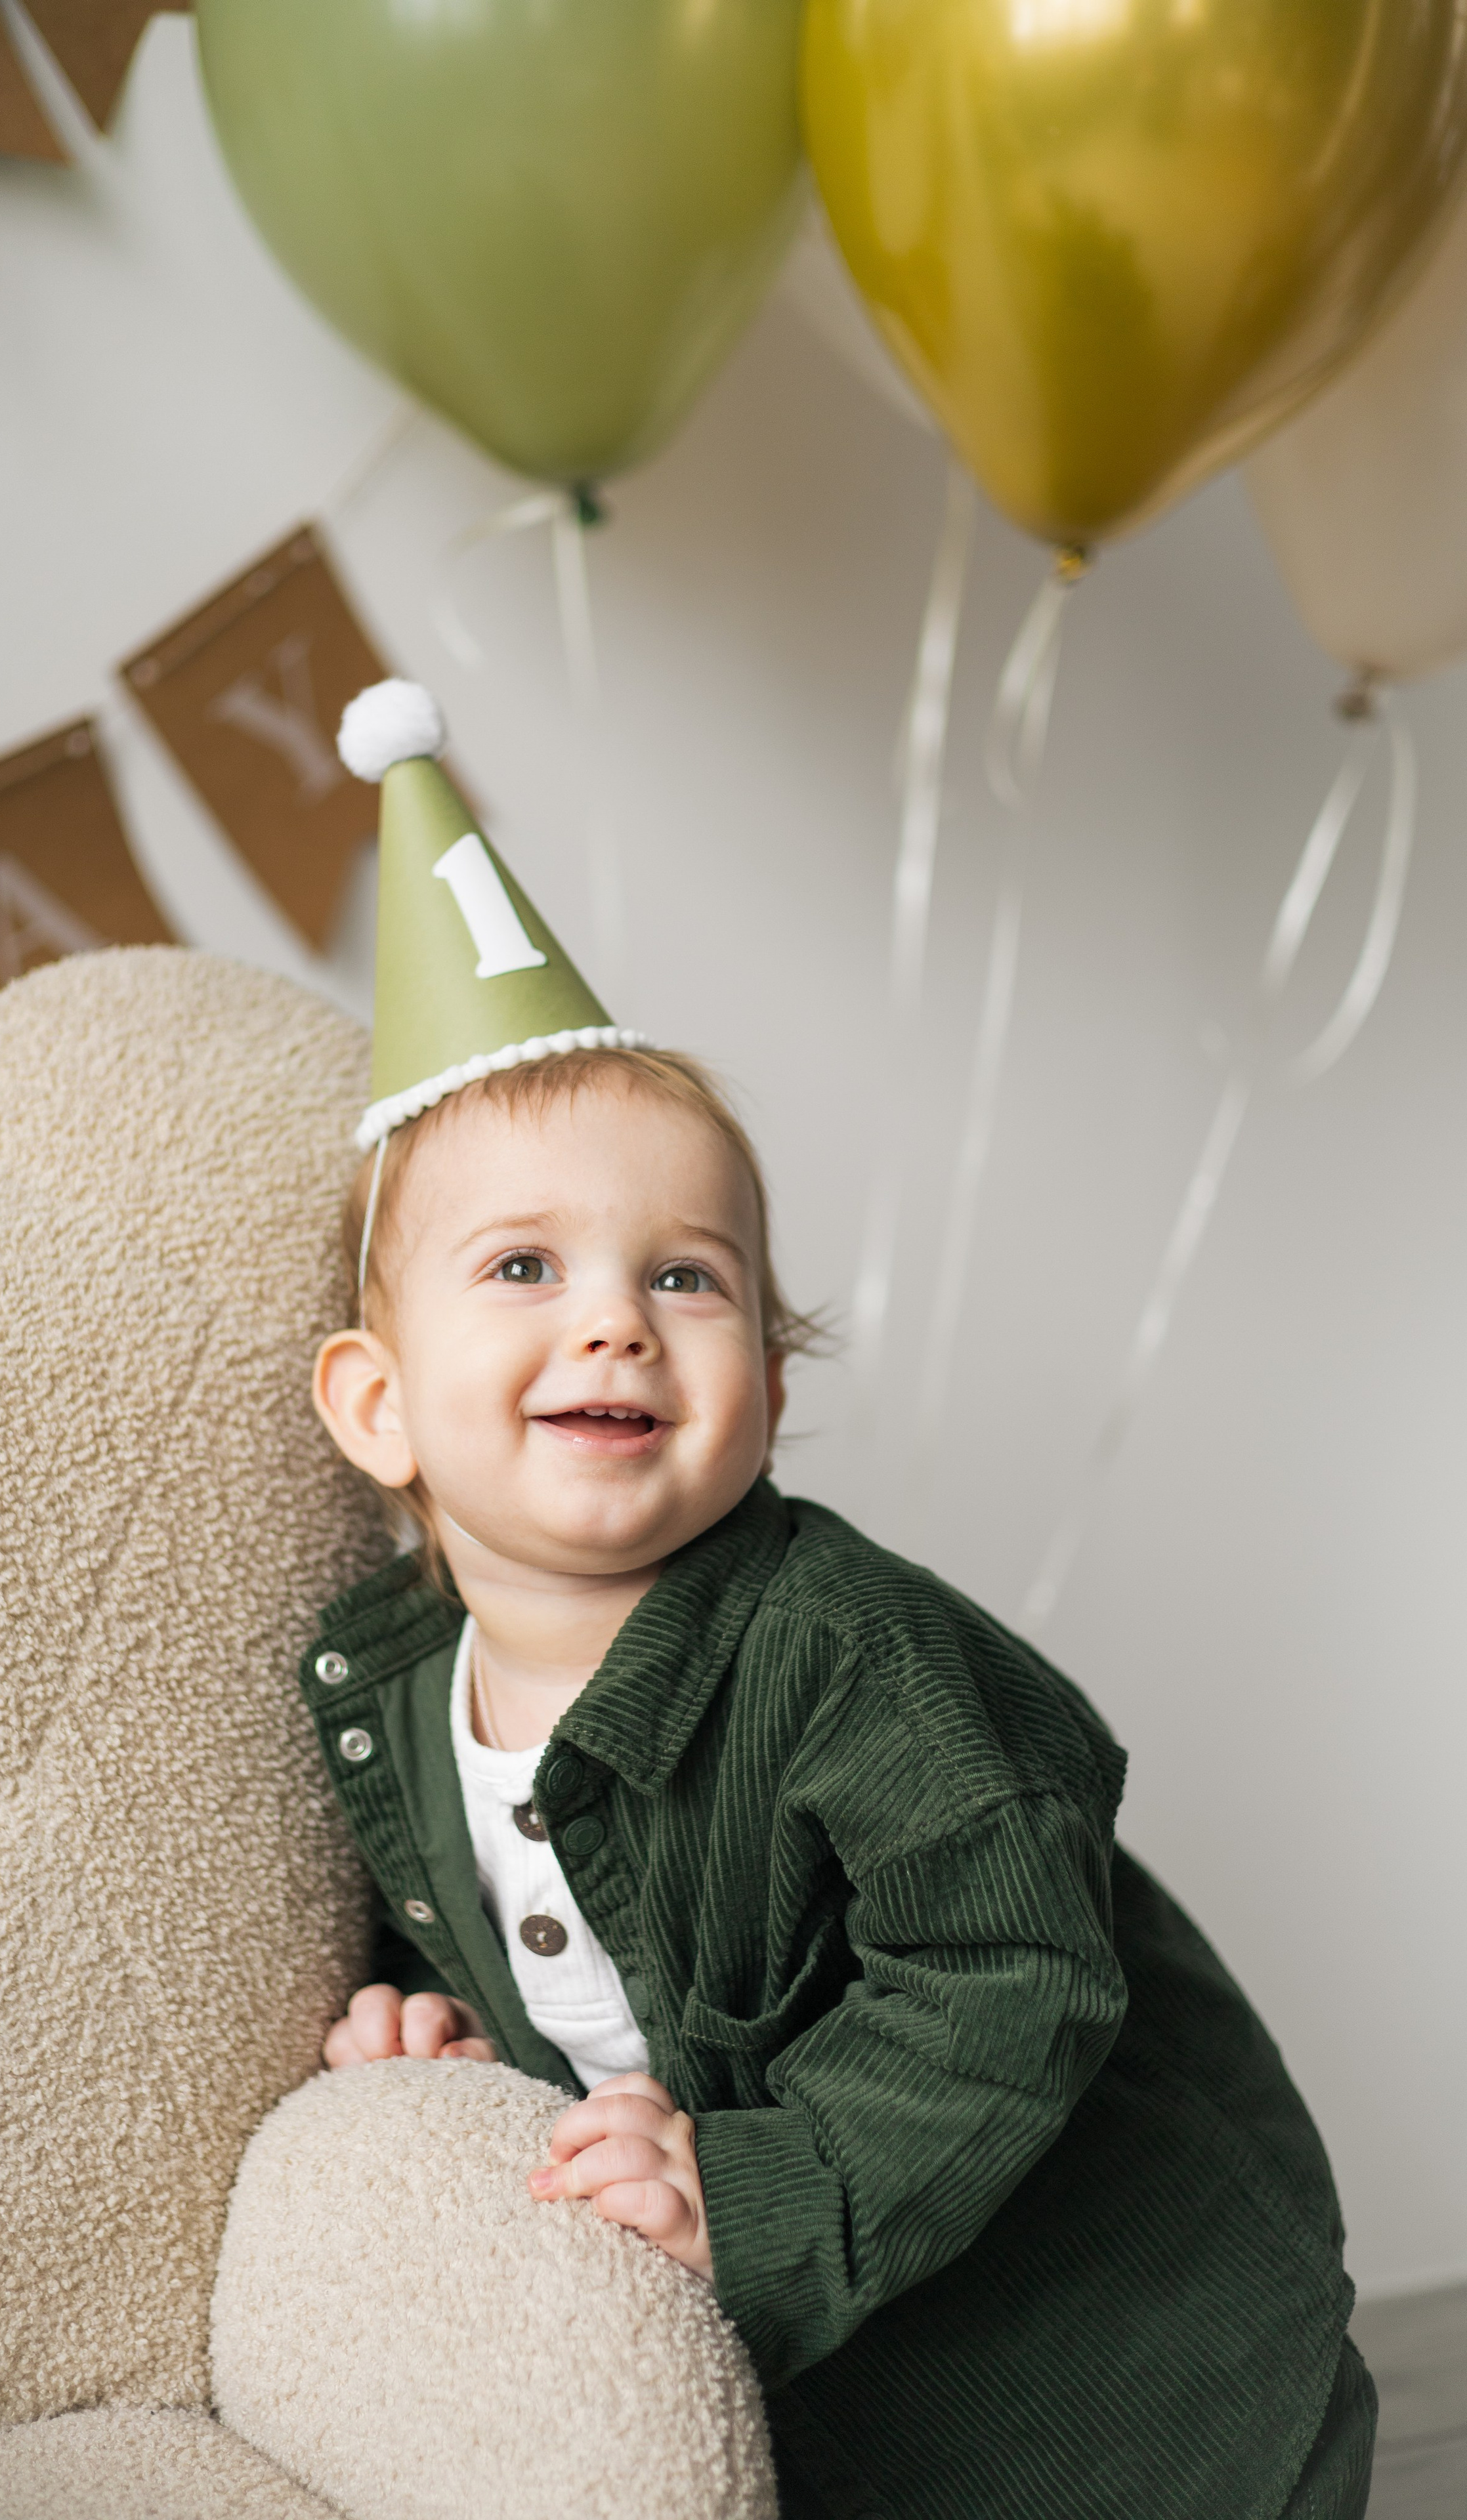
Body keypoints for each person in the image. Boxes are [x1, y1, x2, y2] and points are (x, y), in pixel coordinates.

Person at [300, 680, 1376, 2520]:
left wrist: (762, 2186)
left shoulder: (850, 1648)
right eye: (525, 1264)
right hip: (840, 2416)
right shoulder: (389, 1697)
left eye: (690, 1278)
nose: (616, 1316)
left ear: (774, 1394)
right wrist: (427, 2018)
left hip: (1125, 2363)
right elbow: (517, 1926)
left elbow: (1019, 1957)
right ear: (378, 1407)